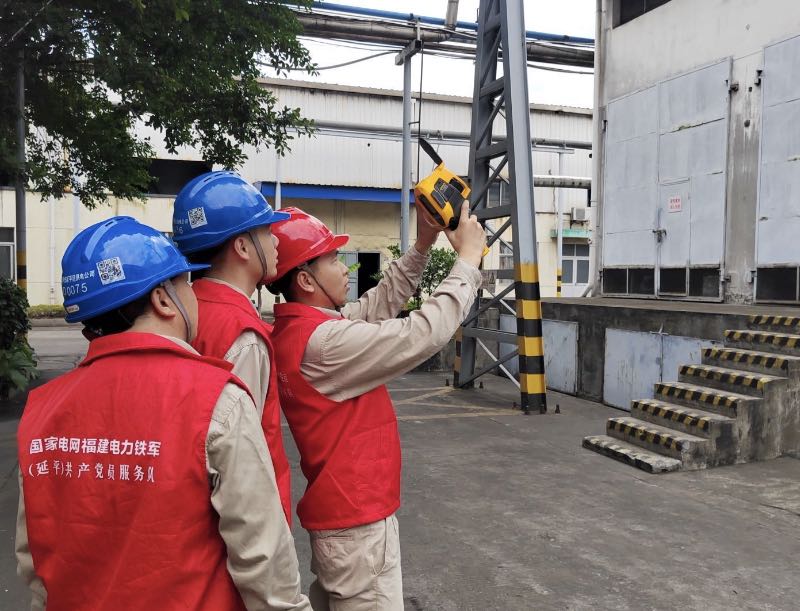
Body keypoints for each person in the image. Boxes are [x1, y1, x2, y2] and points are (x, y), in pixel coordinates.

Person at [15, 216, 309, 611]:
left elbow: (34, 558)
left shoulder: (42, 410)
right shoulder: (217, 400)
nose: (195, 294)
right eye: (187, 282)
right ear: (163, 299)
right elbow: (264, 561)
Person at [267, 202, 486, 610]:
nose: (345, 269)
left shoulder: (299, 330)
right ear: (306, 279)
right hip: (358, 530)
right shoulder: (324, 343)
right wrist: (469, 261)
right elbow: (420, 334)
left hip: (345, 525)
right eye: (334, 260)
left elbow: (376, 305)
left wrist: (423, 244)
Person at [172, 170, 292, 522]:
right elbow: (240, 465)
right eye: (267, 231)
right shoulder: (243, 334)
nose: (276, 242)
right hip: (240, 524)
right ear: (242, 247)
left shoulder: (181, 308)